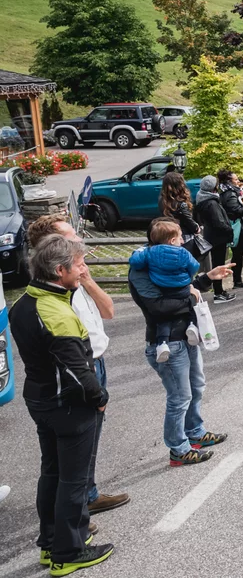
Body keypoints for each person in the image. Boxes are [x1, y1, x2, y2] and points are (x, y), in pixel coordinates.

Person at [10, 235, 115, 574]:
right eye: (77, 266)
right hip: (68, 405)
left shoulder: (24, 302)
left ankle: (50, 544)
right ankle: (68, 552)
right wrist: (99, 398)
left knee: (52, 472)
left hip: (40, 399)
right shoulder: (56, 311)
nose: (81, 270)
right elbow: (78, 371)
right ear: (59, 271)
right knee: (74, 478)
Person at [25, 216, 129, 520]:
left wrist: (86, 278)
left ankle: (88, 494)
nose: (78, 243)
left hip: (97, 359)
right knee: (74, 448)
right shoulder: (52, 291)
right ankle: (76, 513)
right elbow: (63, 346)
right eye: (70, 238)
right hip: (79, 369)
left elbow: (108, 311)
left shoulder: (75, 276)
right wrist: (96, 393)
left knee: (91, 439)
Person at [129, 218, 232, 468]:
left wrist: (207, 277)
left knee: (197, 386)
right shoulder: (141, 271)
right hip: (165, 344)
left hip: (187, 336)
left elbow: (185, 287)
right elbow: (157, 308)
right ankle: (179, 449)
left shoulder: (169, 262)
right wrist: (190, 294)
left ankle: (195, 432)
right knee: (179, 397)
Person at [127, 237, 202, 363]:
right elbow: (195, 266)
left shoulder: (149, 253)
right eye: (179, 237)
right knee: (188, 302)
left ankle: (162, 342)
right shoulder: (182, 253)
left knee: (164, 319)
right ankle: (192, 325)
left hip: (163, 288)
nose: (183, 241)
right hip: (182, 288)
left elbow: (135, 261)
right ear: (172, 240)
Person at [193, 175, 235, 302]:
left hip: (211, 235)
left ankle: (219, 291)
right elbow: (219, 222)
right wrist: (230, 230)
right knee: (219, 264)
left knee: (217, 263)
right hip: (218, 238)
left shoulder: (201, 199)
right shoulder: (211, 203)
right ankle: (218, 292)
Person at [218, 169, 243, 291]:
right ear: (229, 181)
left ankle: (238, 281)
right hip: (241, 228)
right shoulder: (230, 194)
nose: (238, 181)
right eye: (235, 179)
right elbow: (236, 210)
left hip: (237, 228)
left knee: (237, 254)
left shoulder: (225, 192)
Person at [159, 171, 198, 239]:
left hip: (169, 233)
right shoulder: (181, 203)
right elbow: (188, 220)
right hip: (183, 235)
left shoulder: (162, 200)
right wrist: (196, 228)